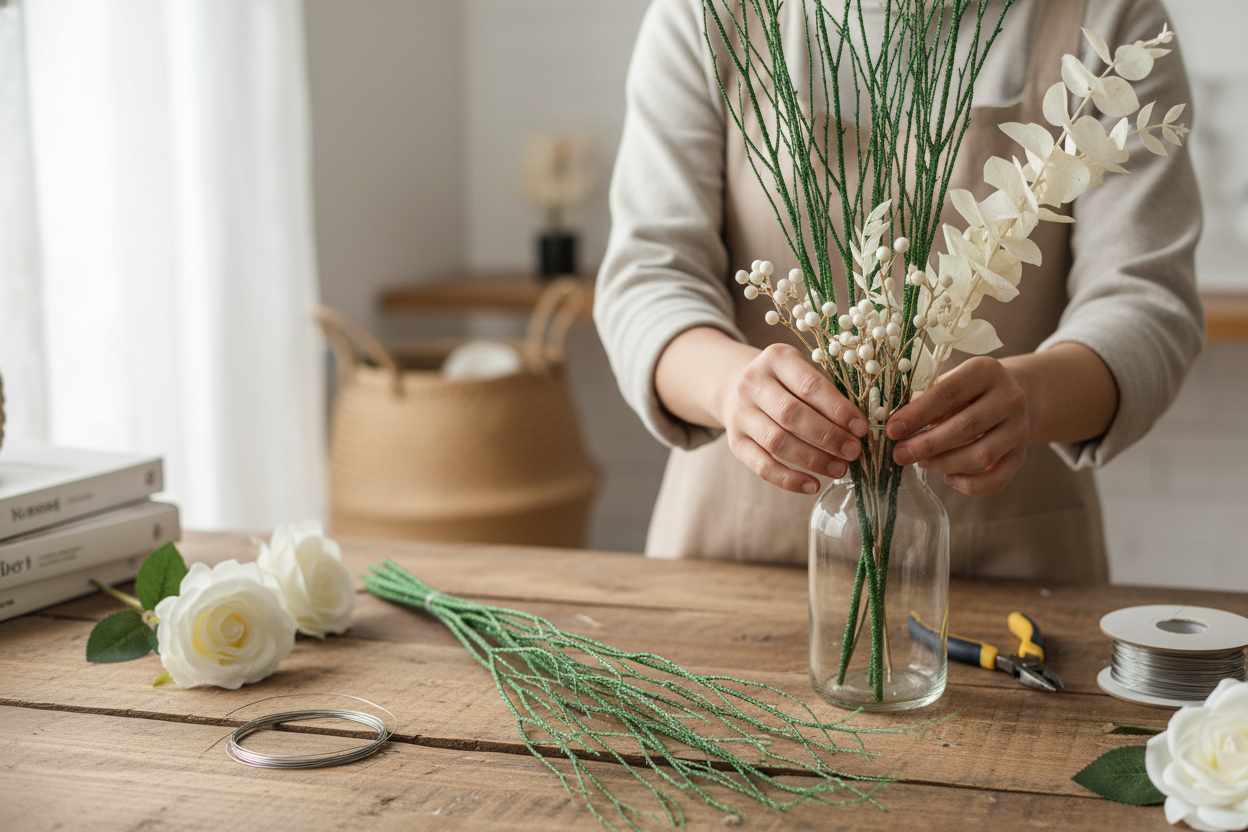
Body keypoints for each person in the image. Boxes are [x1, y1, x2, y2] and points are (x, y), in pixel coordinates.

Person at [594, 0, 1203, 580]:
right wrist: (730, 387)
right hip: (733, 560)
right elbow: (650, 277)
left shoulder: (1108, 19)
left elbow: (1146, 299)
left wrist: (1031, 397)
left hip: (1012, 572)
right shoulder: (707, 16)